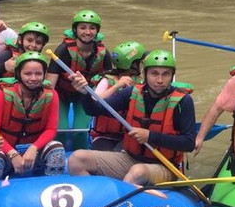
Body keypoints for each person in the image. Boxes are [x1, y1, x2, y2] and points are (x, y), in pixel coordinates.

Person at [68, 50, 198, 185]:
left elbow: (189, 143)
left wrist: (150, 136)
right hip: (130, 158)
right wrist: (84, 92)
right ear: (145, 74)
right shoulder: (132, 92)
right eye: (154, 73)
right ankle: (97, 197)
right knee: (77, 159)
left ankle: (125, 196)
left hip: (165, 165)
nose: (160, 80)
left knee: (137, 171)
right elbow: (94, 110)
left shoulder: (183, 101)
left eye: (165, 74)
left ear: (171, 76)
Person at [0, 51, 65, 176]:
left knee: (57, 149)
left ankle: (50, 182)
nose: (33, 78)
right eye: (27, 74)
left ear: (44, 74)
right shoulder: (2, 95)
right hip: (7, 151)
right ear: (18, 74)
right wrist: (12, 154)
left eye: (38, 74)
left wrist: (34, 148)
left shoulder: (52, 95)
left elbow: (51, 129)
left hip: (35, 151)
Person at [48, 9, 110, 148]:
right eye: (82, 27)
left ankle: (80, 154)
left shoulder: (104, 53)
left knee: (81, 131)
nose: (87, 32)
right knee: (60, 130)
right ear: (75, 30)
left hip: (85, 96)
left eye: (92, 28)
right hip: (61, 95)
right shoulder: (63, 50)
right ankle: (58, 152)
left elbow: (110, 80)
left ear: (97, 31)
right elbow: (50, 84)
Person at [87, 40, 147, 151]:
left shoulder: (139, 82)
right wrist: (116, 86)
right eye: (139, 62)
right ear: (132, 64)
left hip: (128, 135)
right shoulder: (107, 80)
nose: (141, 65)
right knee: (104, 156)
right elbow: (93, 101)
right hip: (105, 136)